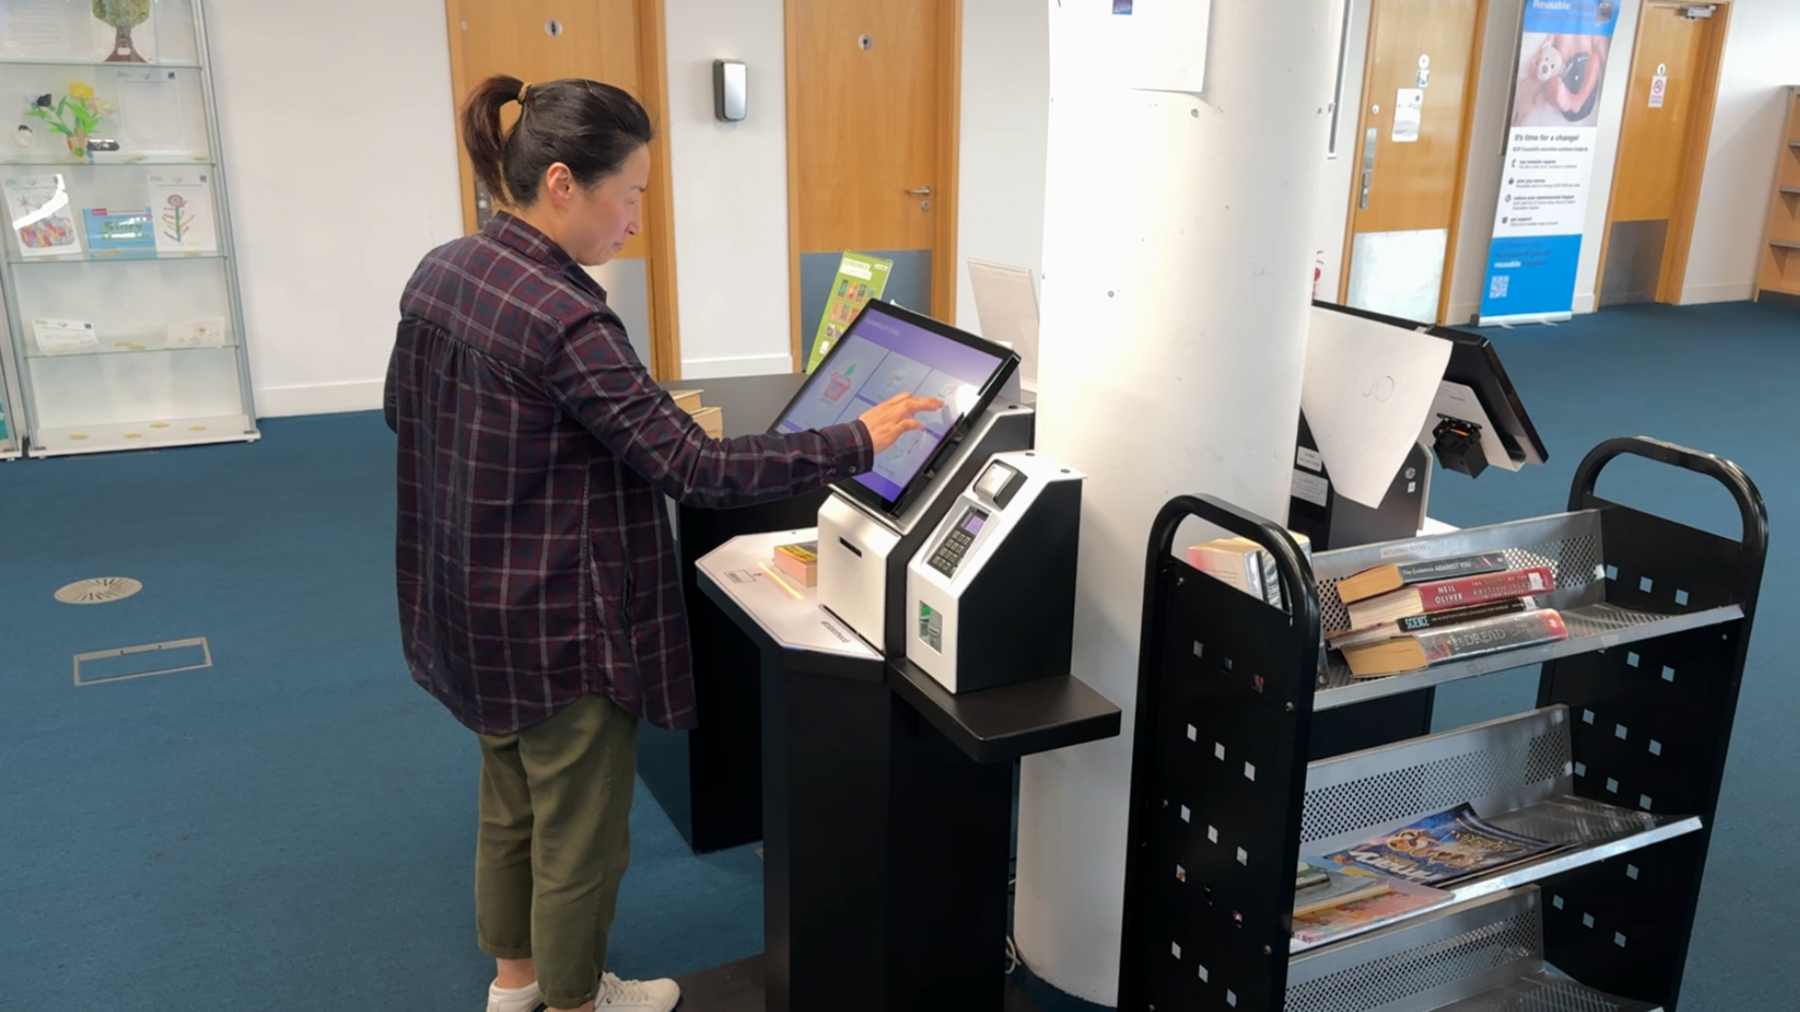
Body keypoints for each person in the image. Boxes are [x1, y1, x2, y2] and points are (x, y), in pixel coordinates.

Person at [384, 75, 941, 1012]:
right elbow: (699, 472)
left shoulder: (445, 268)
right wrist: (861, 438)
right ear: (563, 182)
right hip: (559, 621)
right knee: (581, 832)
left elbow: (411, 415)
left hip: (464, 596)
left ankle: (514, 982)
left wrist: (583, 437)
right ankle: (574, 1001)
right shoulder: (567, 317)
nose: (637, 217)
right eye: (630, 192)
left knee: (509, 798)